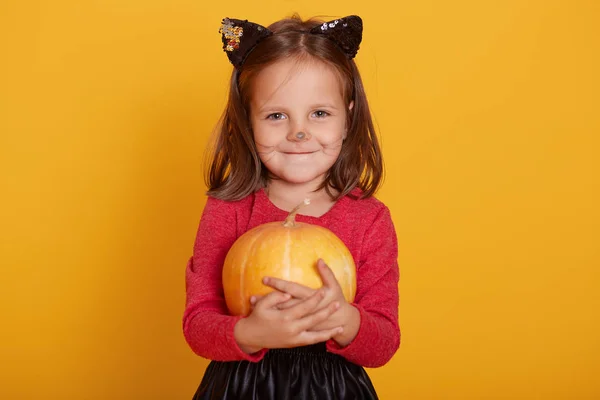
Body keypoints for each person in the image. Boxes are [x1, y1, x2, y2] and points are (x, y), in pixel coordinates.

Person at [183, 14, 400, 399]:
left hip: (331, 388)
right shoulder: (227, 209)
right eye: (276, 115)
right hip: (242, 387)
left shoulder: (369, 219)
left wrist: (342, 319)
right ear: (248, 123)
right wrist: (250, 333)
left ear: (347, 117)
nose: (298, 132)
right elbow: (198, 325)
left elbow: (383, 343)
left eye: (319, 113)